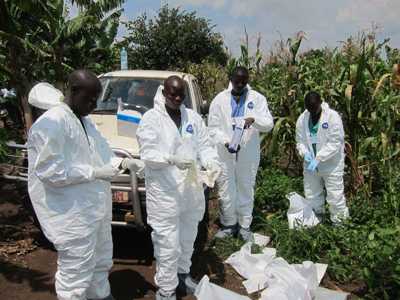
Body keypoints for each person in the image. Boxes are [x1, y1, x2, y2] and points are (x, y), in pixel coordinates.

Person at [27, 70, 142, 300]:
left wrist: (124, 162)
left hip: (94, 209)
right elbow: (50, 171)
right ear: (73, 91)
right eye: (89, 99)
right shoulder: (53, 122)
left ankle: (100, 294)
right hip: (72, 216)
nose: (93, 104)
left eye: (96, 99)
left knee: (100, 259)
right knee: (75, 272)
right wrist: (94, 172)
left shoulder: (85, 121)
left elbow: (102, 153)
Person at [136, 76, 220, 300]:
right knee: (167, 243)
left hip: (191, 191)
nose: (176, 97)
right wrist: (170, 158)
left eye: (180, 94)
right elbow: (148, 153)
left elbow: (205, 145)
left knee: (187, 237)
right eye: (172, 93)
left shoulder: (192, 117)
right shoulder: (151, 119)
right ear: (164, 93)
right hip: (165, 193)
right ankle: (166, 290)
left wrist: (212, 163)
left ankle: (182, 275)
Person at [208, 66, 274, 241]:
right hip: (225, 152)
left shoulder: (258, 99)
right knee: (225, 188)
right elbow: (212, 129)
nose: (240, 84)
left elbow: (268, 124)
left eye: (244, 81)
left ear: (248, 80)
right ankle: (229, 224)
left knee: (246, 186)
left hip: (248, 153)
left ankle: (244, 226)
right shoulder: (219, 100)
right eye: (237, 81)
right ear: (230, 78)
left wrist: (254, 120)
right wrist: (226, 141)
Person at [296, 91, 349, 224]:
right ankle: (316, 222)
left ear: (321, 102)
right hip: (310, 165)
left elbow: (335, 142)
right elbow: (300, 141)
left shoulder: (332, 117)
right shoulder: (302, 119)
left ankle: (340, 225)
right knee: (312, 194)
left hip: (331, 165)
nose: (312, 112)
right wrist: (305, 153)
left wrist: (319, 158)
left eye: (314, 108)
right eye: (309, 109)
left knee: (335, 195)